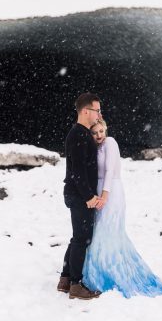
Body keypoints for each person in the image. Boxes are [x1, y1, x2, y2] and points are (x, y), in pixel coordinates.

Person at [82, 120, 162, 298]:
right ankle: (98, 271)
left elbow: (109, 171)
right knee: (98, 233)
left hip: (111, 191)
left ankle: (112, 273)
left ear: (106, 128)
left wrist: (105, 194)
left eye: (101, 131)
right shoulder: (95, 147)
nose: (99, 135)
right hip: (98, 191)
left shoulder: (110, 143)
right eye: (94, 133)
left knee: (108, 232)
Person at [57, 92, 105, 300]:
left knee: (78, 237)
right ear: (86, 111)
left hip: (77, 194)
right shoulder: (78, 134)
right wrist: (89, 197)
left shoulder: (82, 133)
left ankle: (65, 279)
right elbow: (77, 171)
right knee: (82, 240)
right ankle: (76, 284)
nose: (99, 114)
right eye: (97, 110)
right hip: (79, 196)